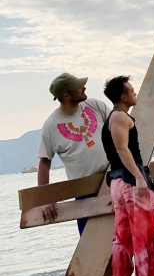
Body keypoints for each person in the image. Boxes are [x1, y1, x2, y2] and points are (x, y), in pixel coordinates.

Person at [102, 76, 154, 276]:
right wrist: (138, 176)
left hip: (117, 183)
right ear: (123, 97)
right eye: (132, 91)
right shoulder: (119, 116)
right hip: (130, 182)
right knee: (144, 236)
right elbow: (122, 149)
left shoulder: (114, 117)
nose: (135, 93)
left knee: (122, 237)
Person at [37, 73, 110, 233]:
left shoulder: (95, 105)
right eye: (79, 87)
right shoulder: (51, 125)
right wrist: (45, 199)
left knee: (124, 236)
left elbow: (121, 124)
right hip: (83, 191)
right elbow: (44, 163)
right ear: (67, 95)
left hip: (113, 180)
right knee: (89, 240)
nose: (84, 87)